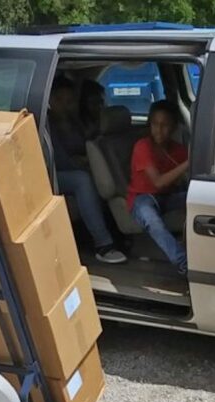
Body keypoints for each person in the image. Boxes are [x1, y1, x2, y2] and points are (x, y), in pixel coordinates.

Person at [49, 77, 127, 264]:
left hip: (77, 167)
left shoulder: (75, 121)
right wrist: (85, 164)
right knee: (83, 179)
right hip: (52, 173)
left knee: (103, 173)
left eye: (69, 101)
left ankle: (120, 232)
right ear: (50, 101)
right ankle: (103, 244)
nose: (65, 106)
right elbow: (59, 159)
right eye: (59, 101)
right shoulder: (47, 125)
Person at [127, 101, 189, 275]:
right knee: (153, 222)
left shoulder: (178, 149)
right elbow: (158, 182)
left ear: (174, 127)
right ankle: (184, 263)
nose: (159, 130)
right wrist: (187, 163)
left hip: (167, 197)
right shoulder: (143, 146)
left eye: (165, 125)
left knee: (194, 198)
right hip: (142, 198)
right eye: (155, 124)